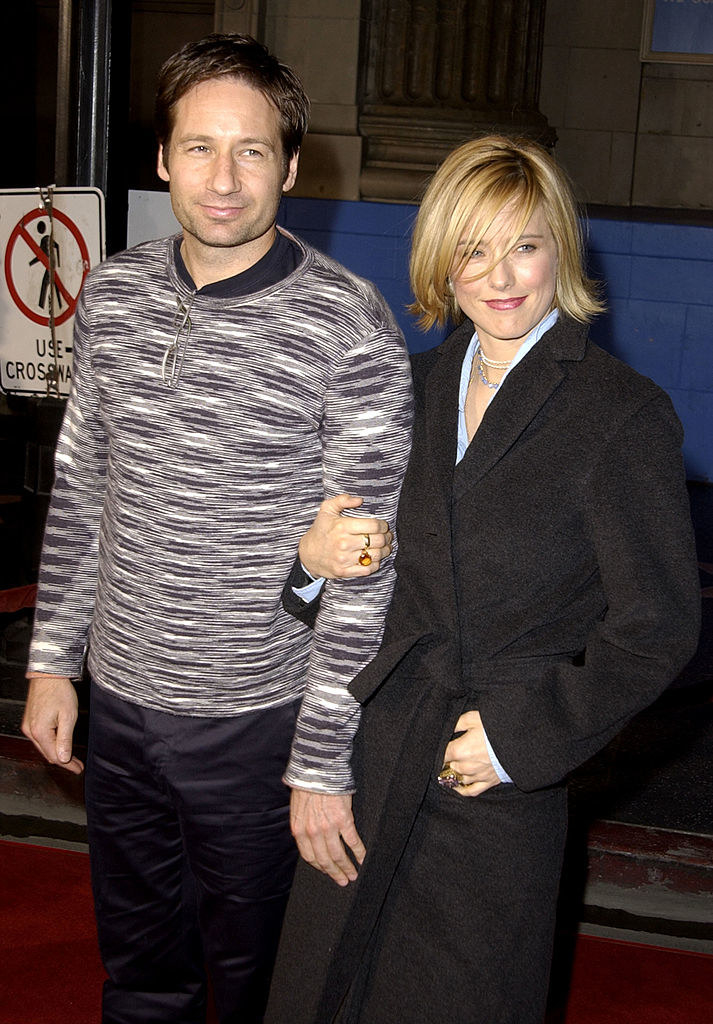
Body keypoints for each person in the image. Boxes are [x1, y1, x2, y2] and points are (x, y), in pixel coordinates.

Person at [21, 33, 412, 1024]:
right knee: (140, 971)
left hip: (255, 722)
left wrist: (319, 760)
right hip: (120, 711)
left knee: (252, 983)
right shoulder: (110, 295)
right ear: (161, 159)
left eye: (250, 152)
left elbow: (361, 569)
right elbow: (81, 487)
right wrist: (52, 661)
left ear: (289, 166)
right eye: (199, 148)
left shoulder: (346, 325)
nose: (224, 179)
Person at [265, 136, 701, 1024]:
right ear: (441, 263)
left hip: (491, 782)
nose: (500, 276)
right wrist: (308, 571)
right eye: (473, 249)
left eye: (524, 245)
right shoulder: (399, 388)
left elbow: (655, 627)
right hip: (371, 756)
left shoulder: (620, 415)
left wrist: (516, 741)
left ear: (560, 253)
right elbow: (336, 589)